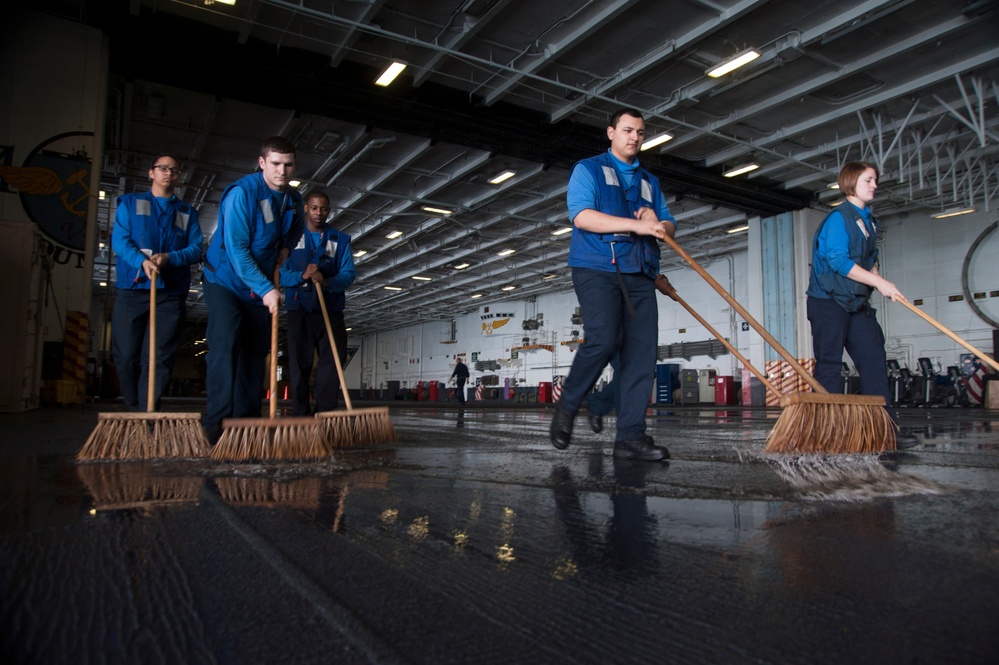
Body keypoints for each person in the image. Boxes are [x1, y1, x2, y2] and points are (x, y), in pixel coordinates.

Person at [550, 108, 677, 461]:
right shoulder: (587, 169)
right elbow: (581, 215)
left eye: (639, 132)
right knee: (604, 339)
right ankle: (568, 406)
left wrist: (659, 224)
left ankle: (630, 437)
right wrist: (635, 226)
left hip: (640, 272)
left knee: (640, 358)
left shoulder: (650, 182)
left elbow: (668, 227)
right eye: (627, 130)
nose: (634, 137)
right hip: (597, 266)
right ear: (611, 133)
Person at [806, 160, 919, 449]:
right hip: (828, 302)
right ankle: (827, 434)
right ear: (851, 181)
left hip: (857, 303)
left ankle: (884, 431)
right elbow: (838, 261)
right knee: (830, 366)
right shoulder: (838, 219)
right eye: (869, 180)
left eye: (875, 180)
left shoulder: (868, 220)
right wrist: (878, 282)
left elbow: (870, 259)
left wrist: (879, 281)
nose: (875, 185)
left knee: (873, 362)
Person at [201, 136, 304, 444]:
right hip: (225, 281)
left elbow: (296, 227)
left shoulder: (293, 199)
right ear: (262, 163)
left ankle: (246, 423)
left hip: (257, 286)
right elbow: (236, 249)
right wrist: (266, 289)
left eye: (288, 165)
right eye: (275, 164)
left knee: (255, 352)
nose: (281, 171)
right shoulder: (242, 194)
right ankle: (215, 425)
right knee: (225, 346)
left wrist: (286, 248)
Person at [110, 153, 203, 411]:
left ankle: (147, 412)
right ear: (151, 173)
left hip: (170, 294)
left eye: (174, 170)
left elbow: (196, 249)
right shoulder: (130, 204)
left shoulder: (186, 213)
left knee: (158, 357)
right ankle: (132, 404)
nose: (168, 173)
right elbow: (120, 241)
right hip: (133, 289)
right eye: (163, 168)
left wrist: (170, 258)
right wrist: (142, 261)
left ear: (178, 177)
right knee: (126, 355)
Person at [278, 190, 356, 415]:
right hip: (299, 311)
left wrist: (327, 281)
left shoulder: (339, 240)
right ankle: (301, 415)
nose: (318, 213)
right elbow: (279, 273)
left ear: (329, 211)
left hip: (330, 313)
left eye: (323, 209)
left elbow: (349, 274)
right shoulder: (290, 240)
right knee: (298, 365)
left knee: (331, 365)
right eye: (314, 208)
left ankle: (326, 413)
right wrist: (300, 276)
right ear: (305, 208)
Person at [587, 274, 678, 433]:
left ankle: (603, 409)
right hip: (613, 315)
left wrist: (659, 280)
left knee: (639, 369)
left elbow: (647, 266)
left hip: (639, 312)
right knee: (626, 370)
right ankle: (628, 433)